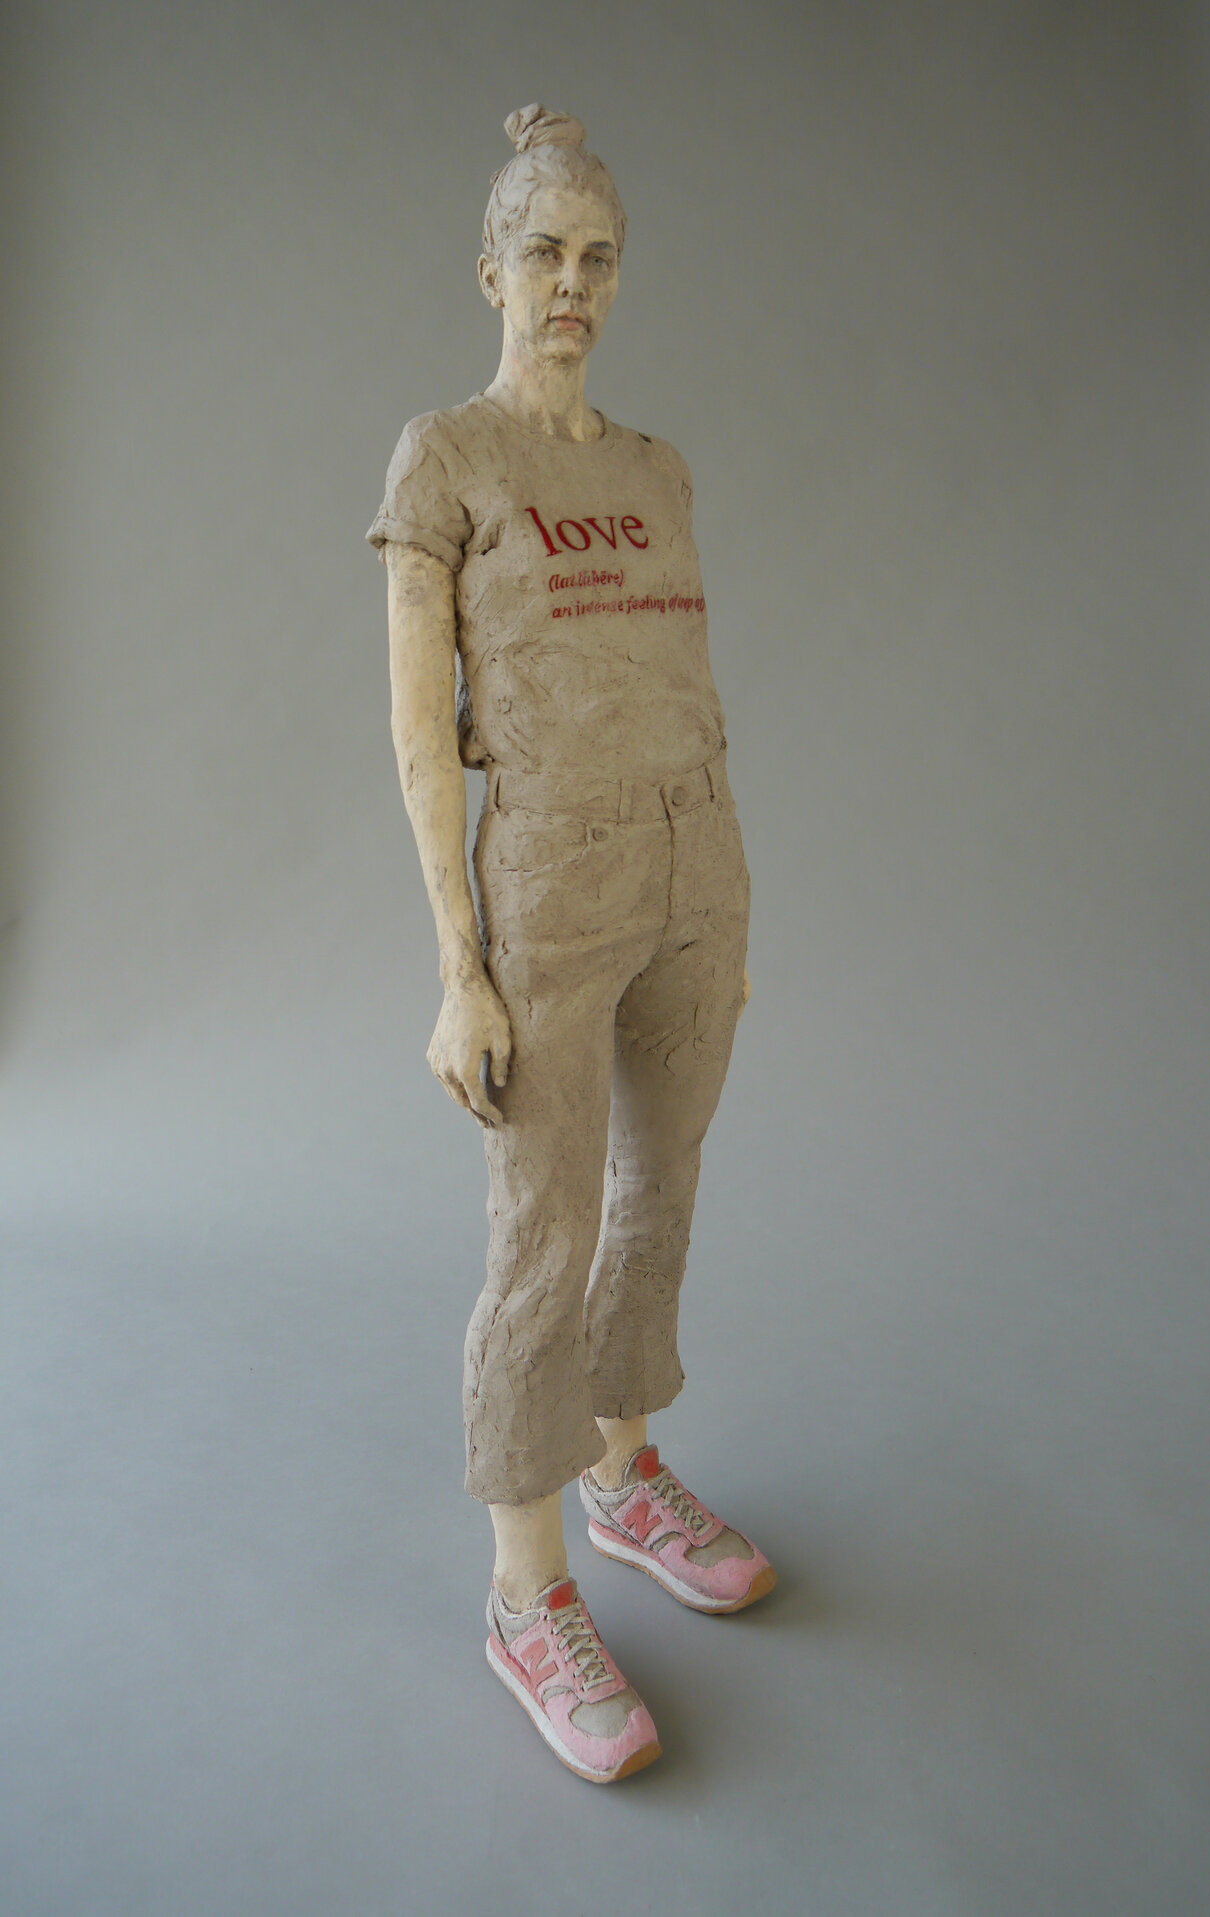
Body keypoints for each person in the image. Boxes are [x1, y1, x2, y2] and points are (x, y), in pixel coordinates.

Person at [368, 103, 774, 1784]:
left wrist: (722, 888)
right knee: (544, 1230)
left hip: (694, 860)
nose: (573, 285)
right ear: (490, 270)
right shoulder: (447, 458)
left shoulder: (657, 471)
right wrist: (458, 965)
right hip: (548, 878)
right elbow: (419, 732)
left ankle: (625, 1471)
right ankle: (524, 1587)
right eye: (543, 253)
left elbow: (685, 678)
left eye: (599, 258)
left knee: (657, 1188)